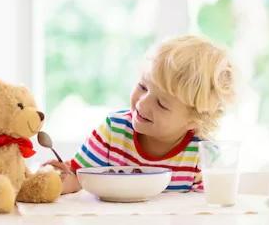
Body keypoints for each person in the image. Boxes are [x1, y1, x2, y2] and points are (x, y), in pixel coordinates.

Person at [43, 35, 236, 194]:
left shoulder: (201, 154)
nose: (143, 103)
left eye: (161, 104)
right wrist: (55, 179)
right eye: (142, 86)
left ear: (193, 121)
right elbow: (78, 177)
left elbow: (206, 211)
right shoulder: (114, 131)